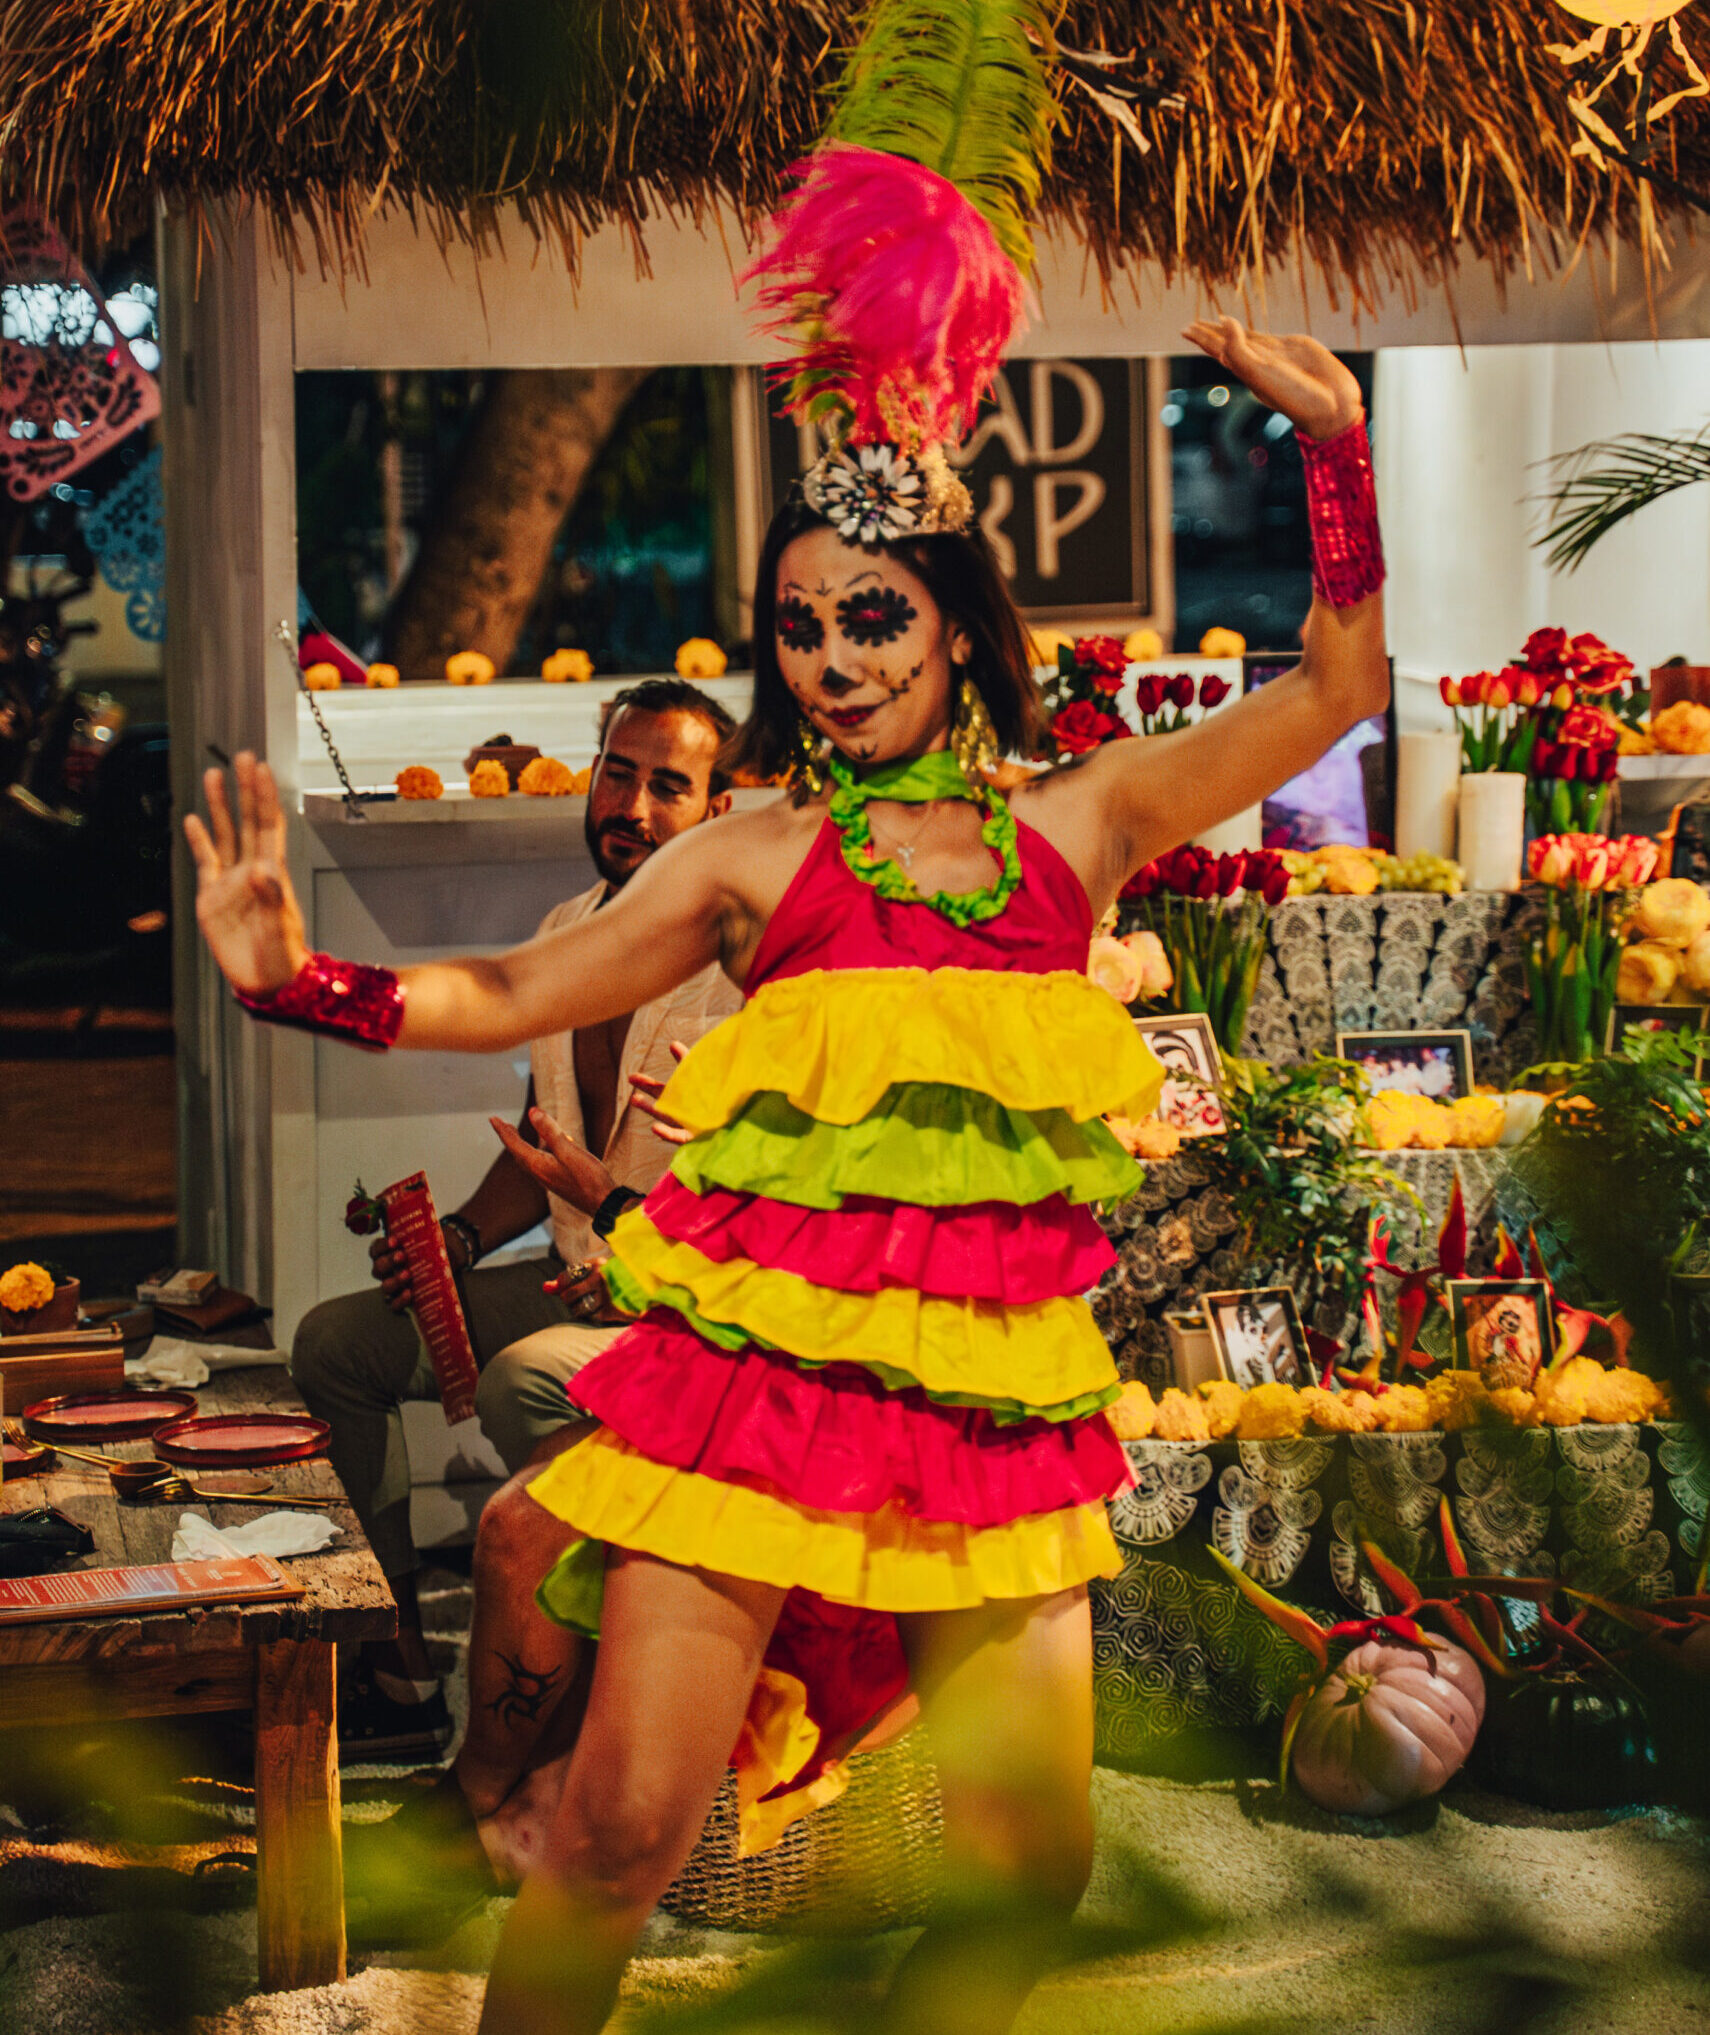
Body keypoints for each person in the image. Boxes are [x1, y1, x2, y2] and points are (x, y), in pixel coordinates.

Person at [186, 301, 1387, 2030]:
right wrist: (304, 982)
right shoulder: (751, 854)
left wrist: (1334, 454)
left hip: (990, 1415)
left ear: (962, 631)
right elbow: (521, 988)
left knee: (1032, 1870)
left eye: (873, 614)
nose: (831, 656)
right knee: (610, 1840)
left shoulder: (1083, 818)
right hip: (756, 1406)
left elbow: (1340, 684)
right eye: (800, 625)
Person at [289, 678, 740, 1757]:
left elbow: (759, 1204)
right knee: (335, 1342)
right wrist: (458, 1239)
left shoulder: (747, 974)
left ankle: (579, 1680)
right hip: (568, 1270)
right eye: (616, 774)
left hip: (682, 1308)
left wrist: (625, 1235)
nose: (630, 806)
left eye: (667, 785)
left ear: (720, 812)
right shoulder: (566, 931)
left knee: (517, 1372)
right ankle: (394, 1660)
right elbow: (546, 1132)